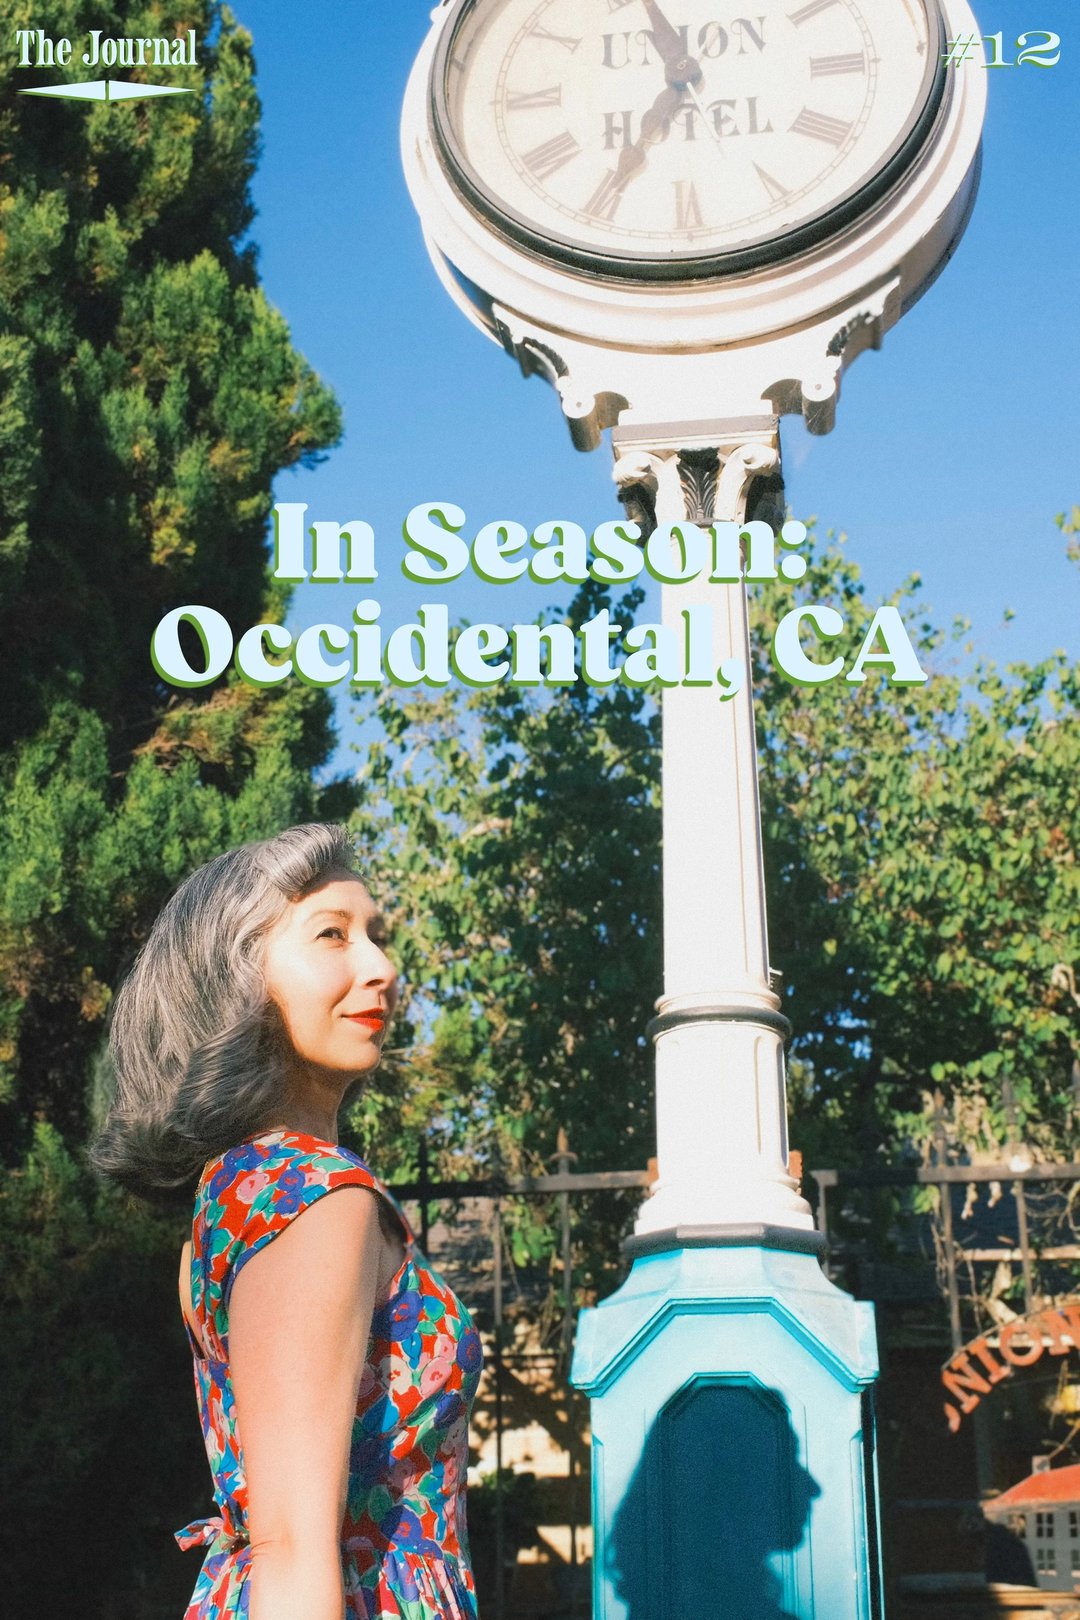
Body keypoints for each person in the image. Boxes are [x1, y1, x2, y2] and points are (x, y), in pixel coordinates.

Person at [92, 823, 483, 1620]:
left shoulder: (239, 1192)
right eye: (332, 935)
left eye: (375, 934)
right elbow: (293, 1545)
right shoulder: (314, 1198)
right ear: (239, 980)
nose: (380, 967)